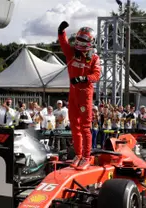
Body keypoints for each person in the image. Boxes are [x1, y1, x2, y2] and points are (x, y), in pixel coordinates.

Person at [58, 21, 101, 170]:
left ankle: (87, 157)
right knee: (74, 127)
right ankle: (78, 154)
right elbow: (63, 44)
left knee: (85, 127)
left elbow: (96, 74)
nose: (81, 42)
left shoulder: (94, 58)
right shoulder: (71, 53)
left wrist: (84, 78)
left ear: (91, 42)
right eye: (79, 39)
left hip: (85, 95)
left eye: (84, 40)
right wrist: (61, 32)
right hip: (73, 94)